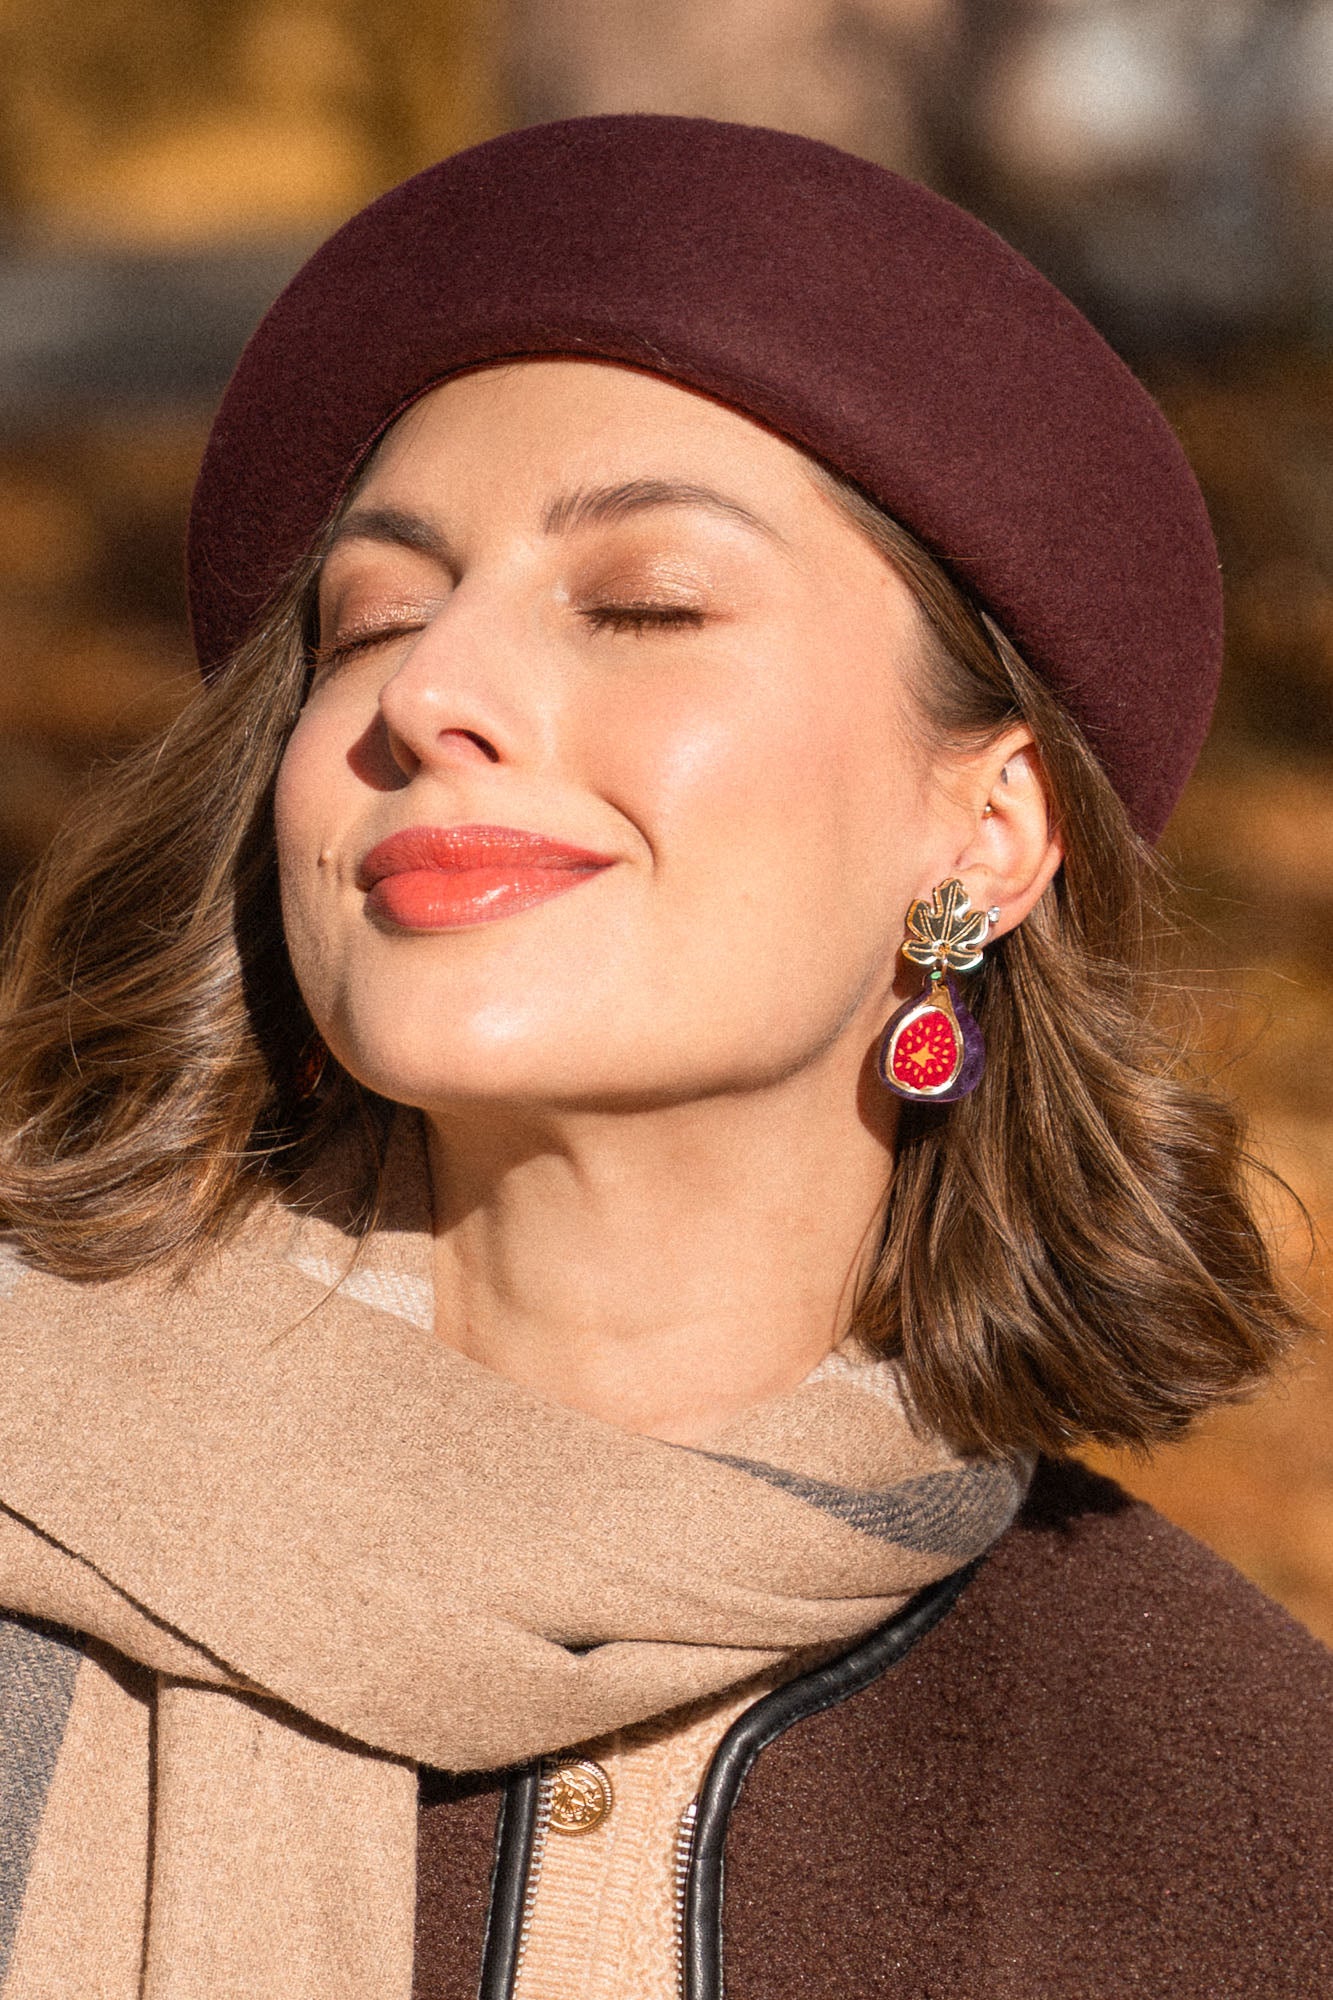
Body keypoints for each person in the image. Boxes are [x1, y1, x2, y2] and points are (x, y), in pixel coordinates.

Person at [0, 115, 1328, 2000]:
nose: (427, 694)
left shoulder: (1232, 1820)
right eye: (368, 620)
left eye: (642, 604)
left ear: (990, 829)